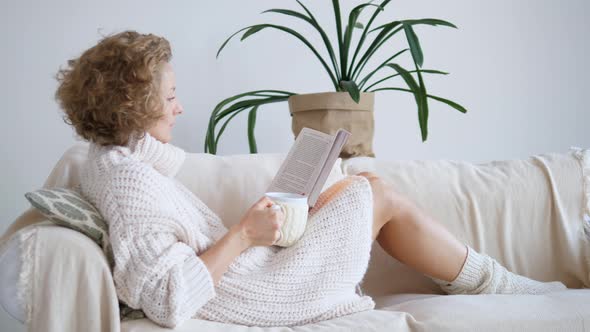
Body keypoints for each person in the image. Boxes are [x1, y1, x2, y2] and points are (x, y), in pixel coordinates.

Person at [54, 30, 566, 329]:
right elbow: (168, 297)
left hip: (251, 274)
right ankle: (501, 286)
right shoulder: (127, 183)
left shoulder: (120, 164)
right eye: (169, 98)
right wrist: (244, 235)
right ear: (134, 106)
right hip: (260, 292)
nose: (180, 107)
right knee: (373, 191)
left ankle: (493, 284)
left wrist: (258, 225)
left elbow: (172, 247)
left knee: (352, 187)